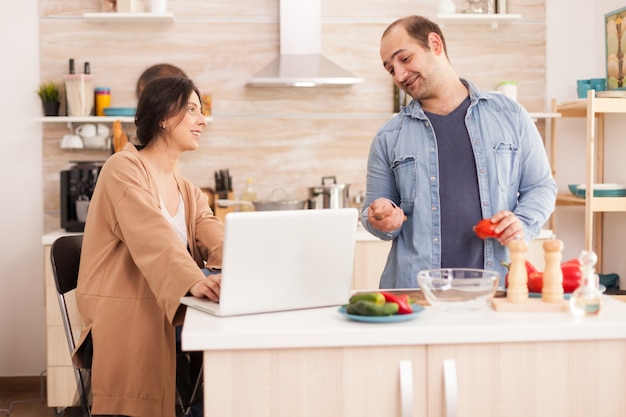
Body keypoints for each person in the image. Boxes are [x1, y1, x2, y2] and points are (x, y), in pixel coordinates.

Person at [361, 15, 557, 288]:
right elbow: (372, 214)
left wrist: (522, 223)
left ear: (434, 44)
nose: (400, 75)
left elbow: (541, 187)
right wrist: (382, 218)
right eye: (390, 69)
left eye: (404, 59)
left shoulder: (509, 115)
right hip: (416, 293)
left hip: (497, 289)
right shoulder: (388, 137)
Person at [72, 76, 223, 417]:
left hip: (165, 307)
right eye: (192, 110)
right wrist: (194, 280)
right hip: (126, 311)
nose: (202, 120)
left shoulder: (185, 188)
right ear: (164, 117)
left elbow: (211, 230)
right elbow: (152, 236)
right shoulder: (121, 169)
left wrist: (248, 261)